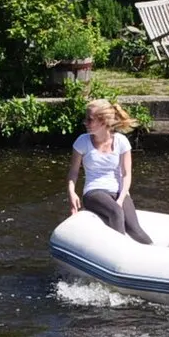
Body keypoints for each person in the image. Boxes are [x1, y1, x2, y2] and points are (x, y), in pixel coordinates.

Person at [66, 98, 151, 243]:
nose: (85, 122)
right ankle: (121, 253)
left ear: (103, 121)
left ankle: (154, 253)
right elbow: (73, 172)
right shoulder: (82, 141)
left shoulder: (121, 141)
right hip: (94, 191)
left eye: (90, 119)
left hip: (119, 191)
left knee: (134, 229)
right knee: (116, 212)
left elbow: (126, 174)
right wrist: (72, 193)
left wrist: (121, 198)